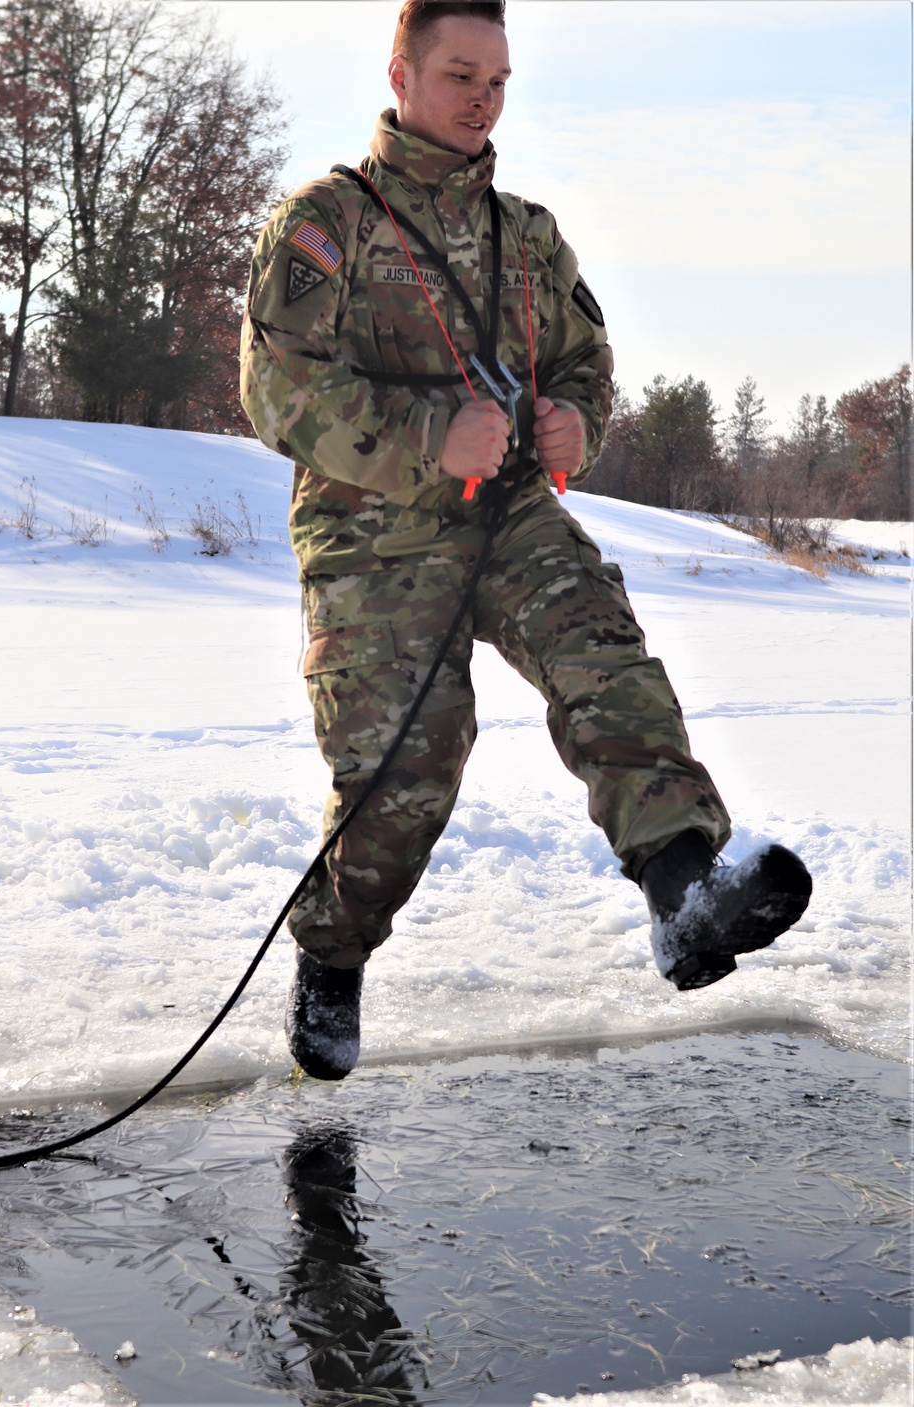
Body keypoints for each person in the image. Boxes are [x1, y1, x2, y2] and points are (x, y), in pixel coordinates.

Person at [240, 0, 811, 1082]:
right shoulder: (329, 221)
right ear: (401, 73)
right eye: (460, 74)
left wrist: (576, 426)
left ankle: (682, 892)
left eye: (498, 80)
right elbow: (276, 389)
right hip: (373, 530)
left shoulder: (530, 236)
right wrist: (428, 433)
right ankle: (331, 954)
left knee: (601, 650)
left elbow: (589, 366)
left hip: (509, 515)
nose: (482, 98)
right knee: (410, 767)